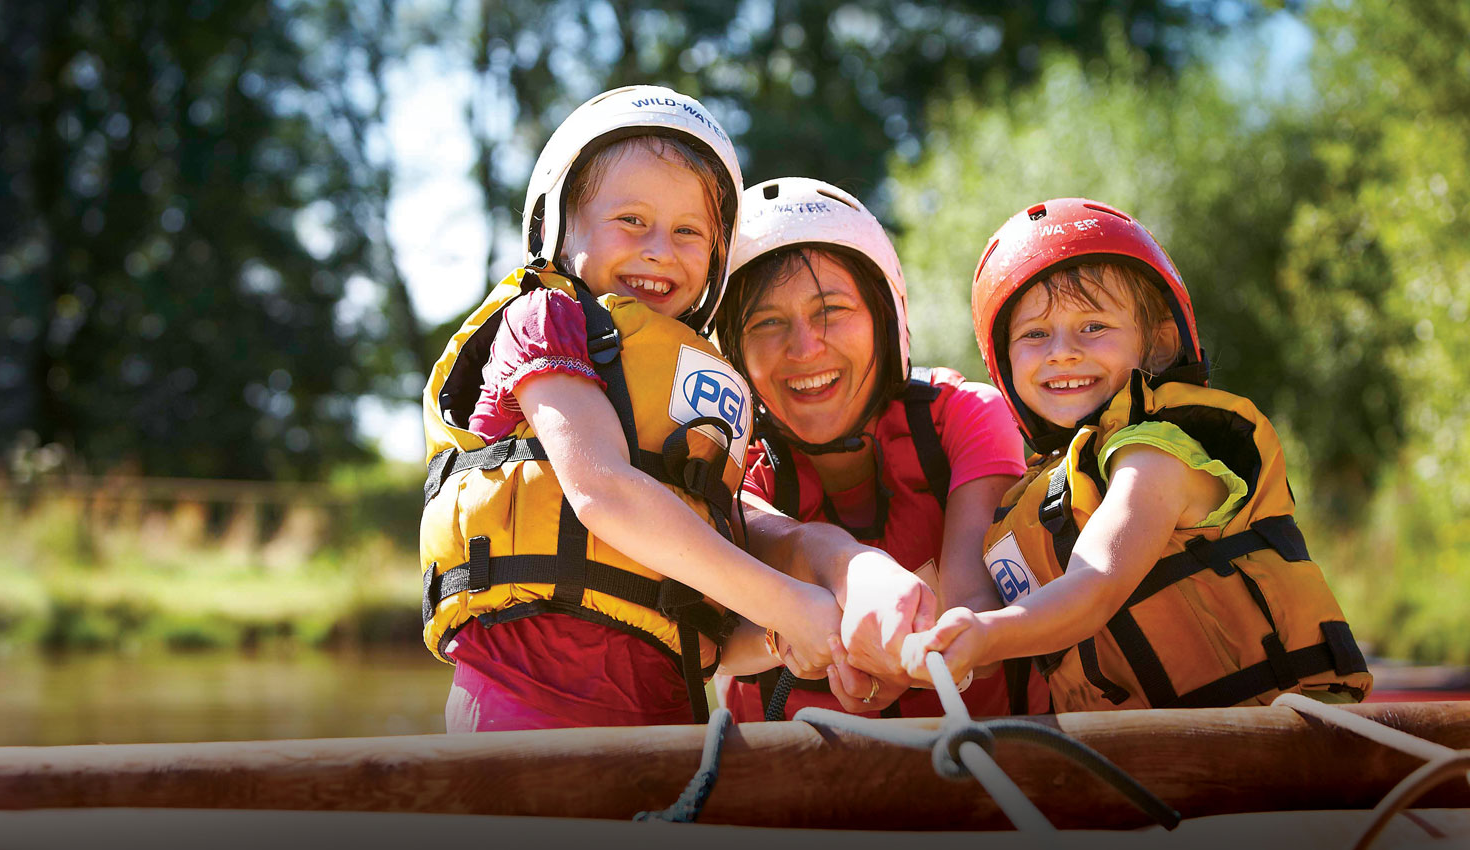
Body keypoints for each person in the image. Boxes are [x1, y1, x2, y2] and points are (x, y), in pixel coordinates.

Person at [418, 87, 842, 731]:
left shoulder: (701, 387)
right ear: (561, 229)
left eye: (688, 231)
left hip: (669, 728)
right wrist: (792, 604)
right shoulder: (546, 318)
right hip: (519, 717)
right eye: (632, 221)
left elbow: (704, 636)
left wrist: (802, 640)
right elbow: (603, 493)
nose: (659, 250)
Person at [901, 198, 1373, 710]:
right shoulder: (1023, 508)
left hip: (1283, 742)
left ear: (1158, 344)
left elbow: (1097, 581)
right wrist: (949, 634)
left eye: (1093, 327)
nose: (1061, 351)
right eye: (1035, 334)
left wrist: (987, 634)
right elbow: (974, 615)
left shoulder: (1157, 453)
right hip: (1141, 762)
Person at [710, 177, 1044, 720]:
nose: (804, 347)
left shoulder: (965, 417)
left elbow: (974, 605)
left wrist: (897, 658)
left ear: (885, 320)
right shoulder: (725, 463)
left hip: (992, 772)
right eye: (767, 322)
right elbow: (714, 642)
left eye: (831, 310)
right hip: (792, 788)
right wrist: (803, 624)